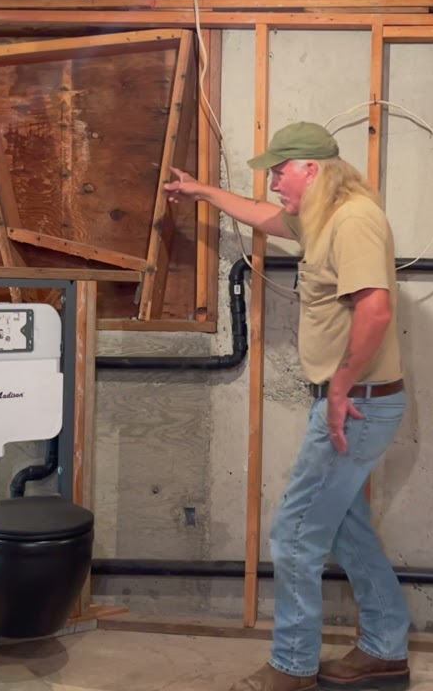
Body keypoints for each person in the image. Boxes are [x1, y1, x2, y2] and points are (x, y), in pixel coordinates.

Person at [165, 121, 412, 691]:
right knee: (348, 533)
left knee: (295, 534)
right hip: (351, 400)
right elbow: (265, 216)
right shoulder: (323, 214)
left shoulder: (353, 222)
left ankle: (292, 668)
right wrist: (202, 190)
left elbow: (374, 311)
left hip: (355, 405)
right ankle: (384, 649)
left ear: (313, 169)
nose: (274, 182)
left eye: (280, 171)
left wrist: (343, 388)